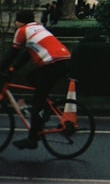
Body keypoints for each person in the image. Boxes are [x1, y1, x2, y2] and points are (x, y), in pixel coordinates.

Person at [0, 9, 72, 150]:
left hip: (52, 65)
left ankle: (32, 139)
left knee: (36, 102)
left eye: (16, 20)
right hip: (63, 62)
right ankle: (44, 107)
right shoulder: (38, 28)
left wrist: (2, 68)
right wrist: (11, 70)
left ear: (19, 21)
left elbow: (12, 53)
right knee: (31, 77)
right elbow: (26, 55)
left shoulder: (22, 30)